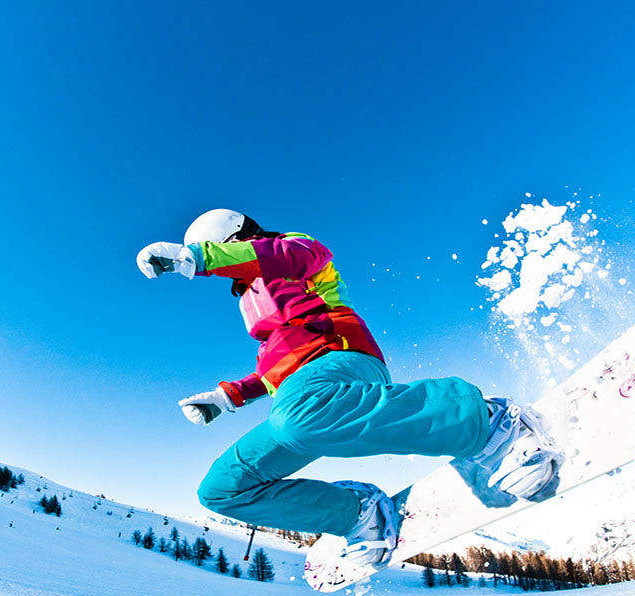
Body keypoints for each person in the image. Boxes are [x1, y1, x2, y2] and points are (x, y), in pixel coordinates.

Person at [136, 209, 562, 573]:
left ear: (233, 240)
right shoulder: (256, 303)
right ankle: (359, 515)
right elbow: (276, 369)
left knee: (298, 416)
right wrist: (227, 397)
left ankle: (488, 423)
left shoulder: (292, 250)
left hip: (343, 361)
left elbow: (282, 257)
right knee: (222, 488)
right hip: (301, 396)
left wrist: (193, 256)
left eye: (221, 252)